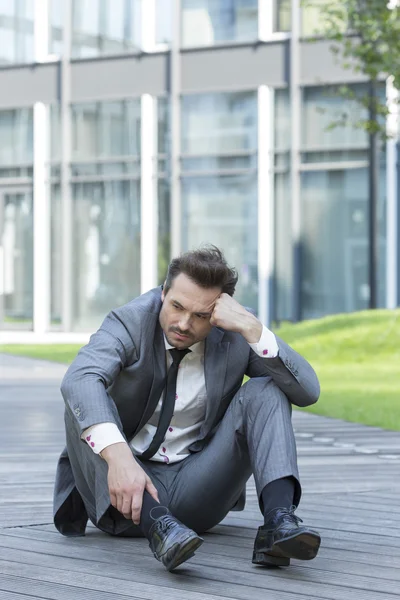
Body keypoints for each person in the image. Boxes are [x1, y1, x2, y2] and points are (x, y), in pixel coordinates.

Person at [54, 245, 321, 572]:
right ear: (163, 292)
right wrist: (120, 458)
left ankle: (279, 523)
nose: (183, 323)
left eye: (201, 315)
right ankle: (159, 527)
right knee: (83, 400)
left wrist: (254, 330)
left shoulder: (234, 332)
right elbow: (79, 380)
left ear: (219, 312)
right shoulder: (131, 321)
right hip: (124, 500)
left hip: (199, 488)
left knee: (266, 390)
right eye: (176, 306)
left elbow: (308, 391)